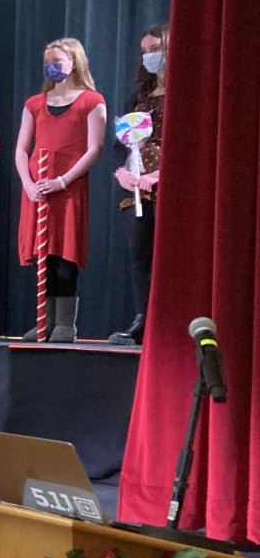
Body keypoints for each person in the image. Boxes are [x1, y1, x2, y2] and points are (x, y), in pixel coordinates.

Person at [14, 38, 107, 343]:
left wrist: (63, 180)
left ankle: (66, 322)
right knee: (42, 254)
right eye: (48, 63)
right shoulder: (35, 104)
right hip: (38, 187)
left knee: (64, 251)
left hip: (67, 187)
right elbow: (20, 150)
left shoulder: (91, 101)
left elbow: (95, 148)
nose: (51, 67)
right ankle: (45, 320)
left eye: (57, 61)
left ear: (74, 62)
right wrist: (28, 185)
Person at [110, 23, 168, 345]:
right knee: (139, 253)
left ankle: (169, 322)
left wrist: (159, 175)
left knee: (166, 254)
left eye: (155, 50)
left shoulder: (182, 92)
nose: (149, 57)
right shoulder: (140, 95)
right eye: (144, 52)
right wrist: (121, 172)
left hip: (166, 185)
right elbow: (122, 141)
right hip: (135, 188)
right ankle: (143, 318)